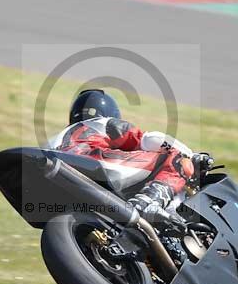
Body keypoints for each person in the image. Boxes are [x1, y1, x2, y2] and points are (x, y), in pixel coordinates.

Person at [48, 89, 207, 227]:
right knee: (178, 160)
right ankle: (150, 202)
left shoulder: (55, 138)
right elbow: (150, 139)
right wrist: (191, 156)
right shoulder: (102, 123)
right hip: (93, 161)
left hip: (59, 178)